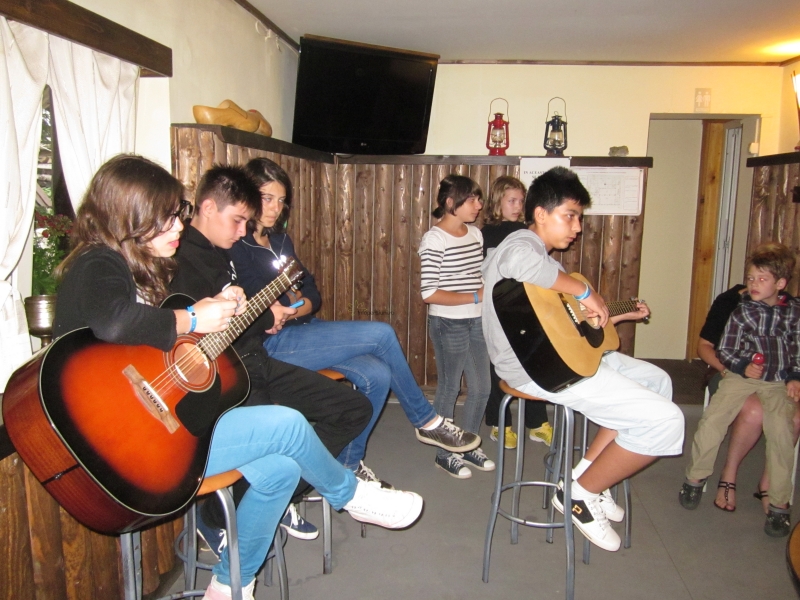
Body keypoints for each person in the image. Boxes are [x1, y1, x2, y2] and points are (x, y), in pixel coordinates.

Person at [51, 155, 423, 600]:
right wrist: (193, 318)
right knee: (286, 425)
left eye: (178, 214)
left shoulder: (141, 268)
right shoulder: (97, 261)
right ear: (130, 215)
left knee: (280, 471)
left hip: (157, 423)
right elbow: (114, 322)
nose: (179, 225)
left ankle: (230, 586)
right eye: (168, 216)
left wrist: (209, 314)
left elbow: (141, 351)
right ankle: (350, 494)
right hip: (126, 446)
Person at [227, 158, 481, 489]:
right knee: (382, 333)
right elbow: (258, 303)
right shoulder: (238, 246)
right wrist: (287, 302)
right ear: (248, 196)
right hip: (271, 346)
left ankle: (348, 463)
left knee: (378, 374)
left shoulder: (280, 241)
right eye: (267, 198)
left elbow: (311, 293)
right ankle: (425, 419)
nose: (275, 208)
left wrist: (292, 307)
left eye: (281, 199)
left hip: (303, 328)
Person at [169, 164, 382, 541]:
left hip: (256, 362)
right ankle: (217, 516)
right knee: (282, 435)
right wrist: (264, 316)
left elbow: (246, 315)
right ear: (208, 208)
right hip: (226, 380)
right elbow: (192, 335)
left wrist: (266, 314)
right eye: (237, 221)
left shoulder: (224, 249)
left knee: (353, 409)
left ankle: (273, 497)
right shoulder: (181, 258)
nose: (242, 231)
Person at [481, 166, 684, 552]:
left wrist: (610, 314)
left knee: (658, 382)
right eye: (570, 216)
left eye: (579, 218)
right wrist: (585, 291)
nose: (577, 227)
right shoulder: (520, 244)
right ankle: (580, 495)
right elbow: (518, 265)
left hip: (560, 357)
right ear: (540, 214)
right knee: (667, 421)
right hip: (536, 370)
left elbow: (570, 327)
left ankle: (587, 474)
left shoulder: (549, 264)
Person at [681, 243, 800, 537]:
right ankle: (695, 479)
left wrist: (795, 376)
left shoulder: (795, 313)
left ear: (781, 283)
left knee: (782, 431)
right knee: (713, 421)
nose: (753, 284)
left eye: (762, 279)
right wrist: (743, 366)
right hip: (740, 376)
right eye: (750, 278)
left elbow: (798, 349)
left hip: (778, 380)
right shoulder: (741, 311)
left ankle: (779, 503)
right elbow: (725, 349)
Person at [418, 174, 493, 479]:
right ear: (451, 203)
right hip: (448, 322)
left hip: (477, 319)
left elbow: (479, 276)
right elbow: (429, 293)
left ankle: (468, 444)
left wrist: (485, 294)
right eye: (472, 199)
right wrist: (475, 296)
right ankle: (444, 454)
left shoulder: (475, 234)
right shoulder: (434, 239)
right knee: (450, 387)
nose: (479, 205)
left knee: (482, 387)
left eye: (479, 199)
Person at [480, 175, 553, 450]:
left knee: (533, 361)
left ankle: (537, 423)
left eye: (521, 201)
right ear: (497, 202)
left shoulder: (528, 233)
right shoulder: (486, 234)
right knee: (497, 367)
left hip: (527, 307)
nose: (518, 206)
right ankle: (500, 423)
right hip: (497, 309)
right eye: (511, 201)